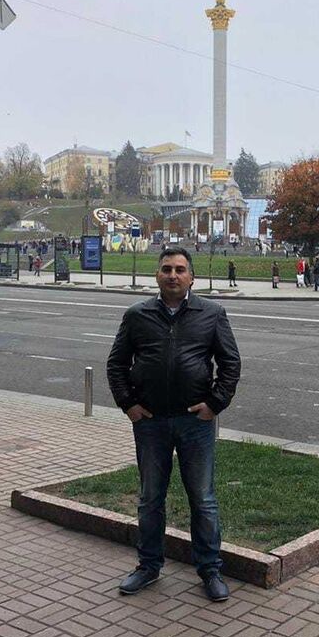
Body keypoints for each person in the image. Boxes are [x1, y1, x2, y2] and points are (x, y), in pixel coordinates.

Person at [107, 248, 241, 602]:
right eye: (166, 269)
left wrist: (214, 404)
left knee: (203, 498)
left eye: (180, 270)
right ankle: (148, 566)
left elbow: (230, 363)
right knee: (151, 497)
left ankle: (210, 569)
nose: (173, 275)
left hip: (195, 422)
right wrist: (129, 404)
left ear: (191, 277)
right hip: (150, 422)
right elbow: (116, 364)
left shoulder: (211, 313)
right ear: (157, 275)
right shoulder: (137, 315)